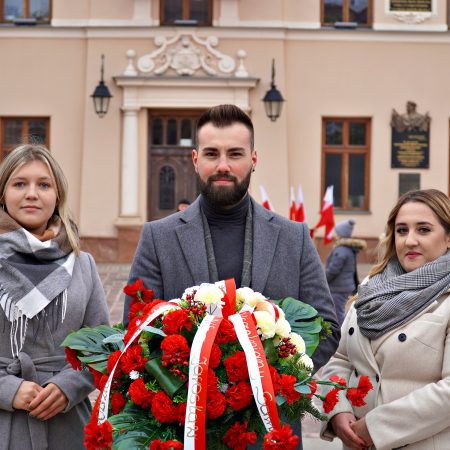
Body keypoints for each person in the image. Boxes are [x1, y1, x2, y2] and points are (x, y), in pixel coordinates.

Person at [124, 104, 339, 365]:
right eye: (212, 154)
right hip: (186, 403)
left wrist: (277, 381)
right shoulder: (158, 238)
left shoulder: (294, 237)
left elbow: (326, 328)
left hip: (272, 403)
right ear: (195, 160)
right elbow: (136, 331)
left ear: (253, 160)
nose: (223, 165)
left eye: (235, 154)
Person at [320, 189, 450, 450]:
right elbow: (341, 358)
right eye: (402, 230)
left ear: (448, 238)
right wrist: (337, 409)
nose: (409, 240)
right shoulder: (372, 287)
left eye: (423, 230)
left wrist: (376, 427)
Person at [0, 144, 110, 449]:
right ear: (3, 194)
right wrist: (7, 389)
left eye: (43, 184)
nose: (32, 193)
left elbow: (101, 345)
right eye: (20, 183)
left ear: (57, 195)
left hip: (66, 425)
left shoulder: (82, 263)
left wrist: (68, 387)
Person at [325, 219, 366, 325]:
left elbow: (333, 270)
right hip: (344, 285)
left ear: (341, 234)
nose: (334, 234)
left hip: (338, 287)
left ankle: (340, 336)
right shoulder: (346, 249)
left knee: (337, 312)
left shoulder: (341, 250)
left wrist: (323, 279)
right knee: (340, 311)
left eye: (336, 232)